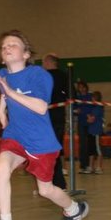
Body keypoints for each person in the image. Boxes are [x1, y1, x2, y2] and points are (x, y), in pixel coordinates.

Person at [0, 29, 88, 220]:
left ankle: (73, 208)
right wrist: (1, 109)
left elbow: (41, 107)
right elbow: (4, 92)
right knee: (1, 169)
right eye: (4, 47)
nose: (7, 48)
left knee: (45, 190)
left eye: (13, 44)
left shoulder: (39, 75)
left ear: (25, 54)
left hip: (40, 142)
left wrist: (10, 93)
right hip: (15, 135)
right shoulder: (2, 75)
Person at [43, 53, 68, 189]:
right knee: (54, 149)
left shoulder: (44, 76)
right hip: (58, 117)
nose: (43, 65)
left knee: (49, 150)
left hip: (47, 118)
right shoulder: (64, 76)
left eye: (44, 62)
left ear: (49, 62)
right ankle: (54, 182)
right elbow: (71, 95)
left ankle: (55, 182)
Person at [74, 80, 93, 172]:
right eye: (79, 87)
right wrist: (76, 111)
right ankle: (82, 165)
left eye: (82, 87)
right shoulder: (77, 98)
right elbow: (74, 109)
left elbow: (91, 108)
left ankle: (90, 165)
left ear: (86, 87)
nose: (81, 89)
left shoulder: (90, 96)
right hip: (81, 123)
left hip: (90, 124)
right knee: (82, 144)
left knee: (89, 143)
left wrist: (86, 114)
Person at [86, 90, 105, 174]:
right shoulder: (93, 108)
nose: (92, 99)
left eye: (93, 97)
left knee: (98, 149)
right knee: (91, 150)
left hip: (96, 131)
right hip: (91, 131)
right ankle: (91, 167)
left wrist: (88, 117)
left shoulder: (98, 108)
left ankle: (99, 167)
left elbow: (91, 120)